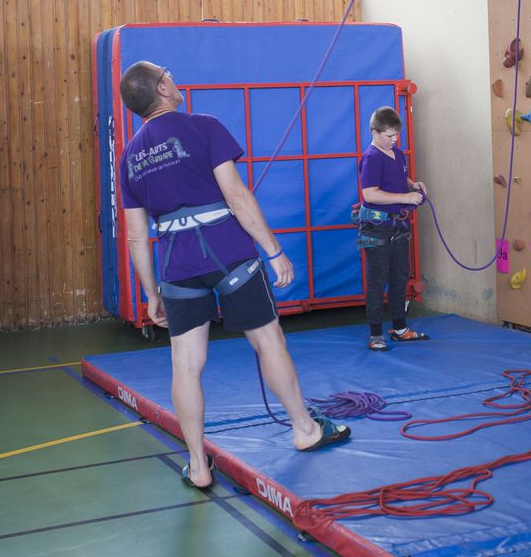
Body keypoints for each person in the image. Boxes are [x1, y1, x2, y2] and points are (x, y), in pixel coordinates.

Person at [117, 60, 350, 490]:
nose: (174, 79)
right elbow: (236, 195)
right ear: (162, 89)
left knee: (185, 364)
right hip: (228, 253)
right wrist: (274, 251)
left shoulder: (130, 157)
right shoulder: (203, 126)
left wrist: (151, 294)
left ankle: (198, 466)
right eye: (168, 75)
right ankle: (304, 429)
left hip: (177, 265)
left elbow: (135, 235)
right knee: (268, 340)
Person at [356, 106, 430, 352]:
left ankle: (400, 328)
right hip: (377, 228)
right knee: (377, 281)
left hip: (399, 226)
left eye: (397, 135)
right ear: (374, 133)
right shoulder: (372, 158)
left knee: (399, 277)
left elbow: (399, 178)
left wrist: (413, 185)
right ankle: (375, 334)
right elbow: (370, 194)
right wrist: (405, 198)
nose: (395, 139)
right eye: (389, 136)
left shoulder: (396, 153)